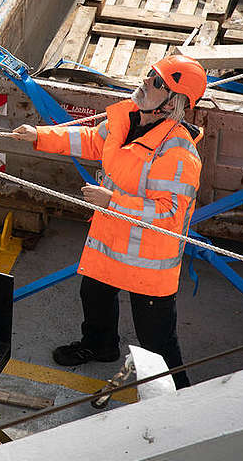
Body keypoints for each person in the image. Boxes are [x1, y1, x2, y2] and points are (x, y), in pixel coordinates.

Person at [11, 55, 207, 388]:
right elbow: (92, 141)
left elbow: (169, 214)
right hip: (110, 240)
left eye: (157, 82)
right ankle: (100, 346)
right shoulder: (127, 119)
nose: (146, 82)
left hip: (149, 261)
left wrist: (113, 201)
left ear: (173, 102)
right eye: (150, 74)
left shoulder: (179, 155)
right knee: (94, 295)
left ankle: (180, 398)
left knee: (157, 340)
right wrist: (39, 136)